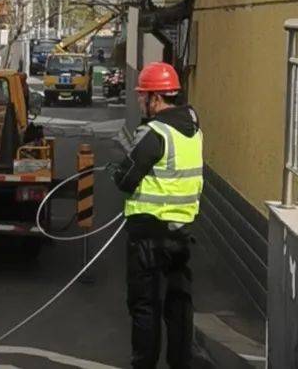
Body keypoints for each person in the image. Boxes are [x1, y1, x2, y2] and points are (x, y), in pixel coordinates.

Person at [110, 62, 204, 369]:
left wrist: (121, 167)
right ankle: (181, 363)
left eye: (143, 96)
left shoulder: (155, 134)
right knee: (179, 305)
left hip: (149, 236)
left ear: (156, 98)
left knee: (145, 306)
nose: (140, 101)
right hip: (180, 233)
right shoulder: (192, 130)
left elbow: (124, 180)